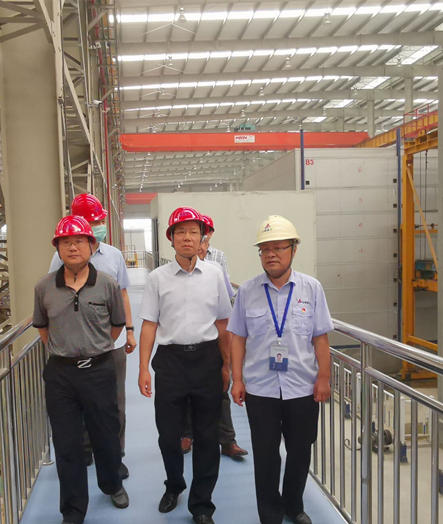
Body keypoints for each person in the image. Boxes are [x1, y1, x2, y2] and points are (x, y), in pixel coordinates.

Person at [228, 215, 333, 524]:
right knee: (265, 456)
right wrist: (237, 380)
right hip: (261, 389)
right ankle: (270, 514)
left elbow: (320, 338)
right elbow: (238, 339)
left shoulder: (311, 288)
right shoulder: (247, 291)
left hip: (302, 387)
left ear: (293, 250)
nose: (270, 254)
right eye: (264, 249)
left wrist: (324, 378)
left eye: (278, 248)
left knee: (300, 452)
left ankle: (293, 505)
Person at [138, 206, 233, 524]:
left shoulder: (215, 275)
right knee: (168, 434)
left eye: (193, 232)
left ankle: (202, 504)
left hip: (207, 359)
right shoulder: (157, 278)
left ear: (202, 237)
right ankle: (174, 485)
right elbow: (149, 324)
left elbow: (223, 323)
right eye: (180, 232)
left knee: (207, 436)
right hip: (170, 362)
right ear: (171, 239)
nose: (187, 237)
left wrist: (227, 365)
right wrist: (143, 368)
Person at [34, 215, 130, 524]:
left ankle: (112, 484)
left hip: (99, 370)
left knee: (106, 434)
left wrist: (94, 348)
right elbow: (43, 328)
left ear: (91, 245)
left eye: (79, 241)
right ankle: (73, 509)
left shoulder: (107, 284)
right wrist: (66, 351)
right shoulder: (44, 287)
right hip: (61, 375)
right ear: (58, 249)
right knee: (66, 444)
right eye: (65, 242)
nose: (72, 247)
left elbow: (117, 325)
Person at [50, 194, 136, 477]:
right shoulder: (60, 257)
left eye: (99, 221)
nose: (99, 226)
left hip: (111, 344)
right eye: (94, 221)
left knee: (114, 403)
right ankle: (87, 449)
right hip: (78, 345)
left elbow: (123, 294)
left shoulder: (113, 256)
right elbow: (52, 294)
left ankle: (116, 454)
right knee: (82, 401)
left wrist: (128, 331)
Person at [182, 228, 248, 461]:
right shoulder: (173, 273)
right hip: (185, 343)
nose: (199, 245)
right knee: (185, 392)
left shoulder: (215, 271)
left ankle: (227, 440)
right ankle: (187, 434)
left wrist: (227, 359)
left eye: (202, 240)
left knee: (220, 389)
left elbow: (225, 309)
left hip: (212, 341)